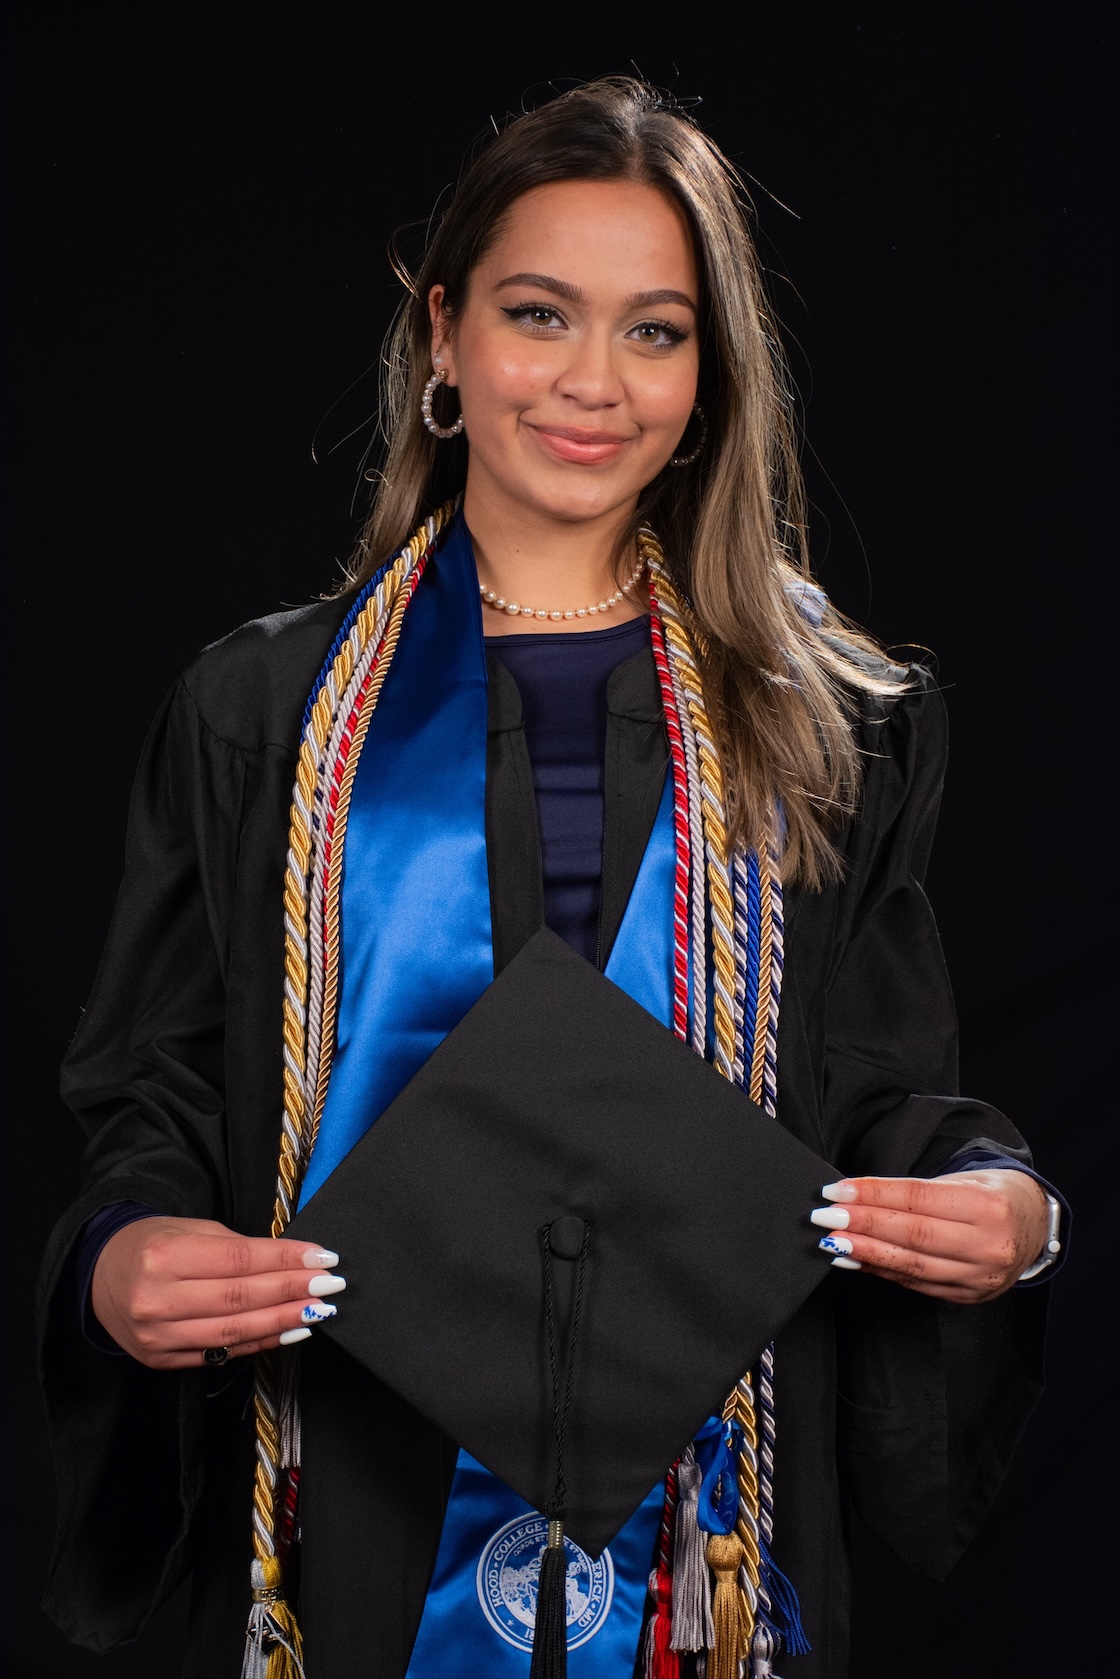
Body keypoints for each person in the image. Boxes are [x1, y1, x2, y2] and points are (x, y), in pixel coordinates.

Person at [37, 79, 1065, 1679]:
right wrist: (121, 1257)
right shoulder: (269, 719)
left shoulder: (828, 718)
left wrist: (1005, 1206)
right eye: (539, 315)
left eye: (656, 331)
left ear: (711, 372)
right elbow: (157, 1090)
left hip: (708, 1521)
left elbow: (878, 1089)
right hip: (356, 1514)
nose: (596, 383)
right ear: (443, 335)